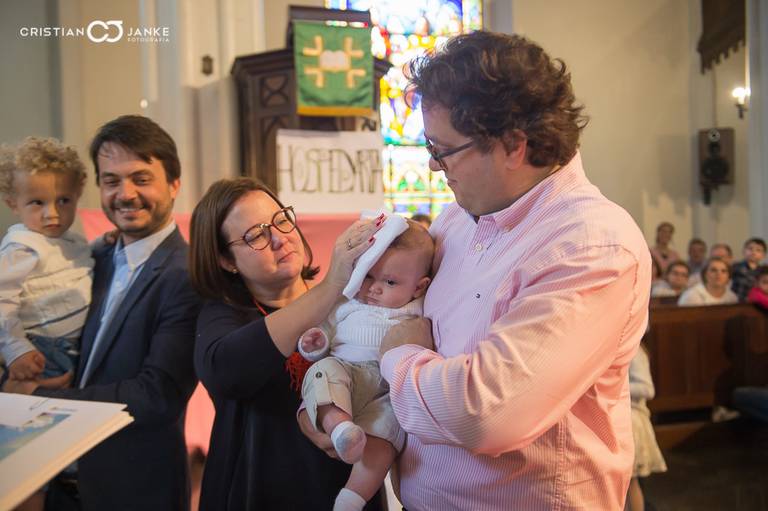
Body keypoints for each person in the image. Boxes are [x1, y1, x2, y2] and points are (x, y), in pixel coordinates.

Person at [308, 31, 651, 510]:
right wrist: (336, 404)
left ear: (513, 145)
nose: (433, 166)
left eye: (443, 149)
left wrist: (397, 355)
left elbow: (486, 413)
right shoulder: (456, 219)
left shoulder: (590, 245)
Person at [4, 115, 201, 511]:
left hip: (133, 492)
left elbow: (156, 396)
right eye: (111, 181)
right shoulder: (92, 258)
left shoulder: (189, 275)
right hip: (59, 487)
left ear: (174, 184)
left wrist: (37, 396)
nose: (125, 194)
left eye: (141, 179)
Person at [189, 177, 385, 510]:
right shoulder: (223, 316)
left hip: (345, 486)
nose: (280, 238)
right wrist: (331, 285)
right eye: (256, 235)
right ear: (226, 261)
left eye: (281, 220)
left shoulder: (348, 305)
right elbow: (226, 371)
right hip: (260, 491)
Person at [299, 220, 433, 511]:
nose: (374, 288)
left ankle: (351, 499)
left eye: (390, 282)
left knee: (385, 435)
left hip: (387, 390)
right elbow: (326, 331)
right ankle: (340, 429)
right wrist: (316, 343)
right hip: (346, 372)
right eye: (368, 275)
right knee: (321, 374)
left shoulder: (419, 309)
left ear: (418, 287)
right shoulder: (347, 305)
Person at [0, 137, 93, 511]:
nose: (52, 213)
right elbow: (1, 303)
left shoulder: (74, 243)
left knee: (68, 438)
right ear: (13, 203)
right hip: (40, 351)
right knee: (33, 448)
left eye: (64, 200)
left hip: (75, 350)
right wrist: (16, 349)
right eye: (37, 203)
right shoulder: (22, 246)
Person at [626, 346, 667, 511]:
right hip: (623, 420)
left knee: (630, 482)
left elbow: (647, 388)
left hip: (633, 423)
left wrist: (613, 387)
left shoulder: (635, 351)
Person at [730, 237, 767, 302]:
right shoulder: (735, 267)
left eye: (758, 250)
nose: (753, 252)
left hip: (754, 303)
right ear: (744, 251)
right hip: (735, 301)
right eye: (750, 249)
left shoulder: (762, 271)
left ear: (763, 255)